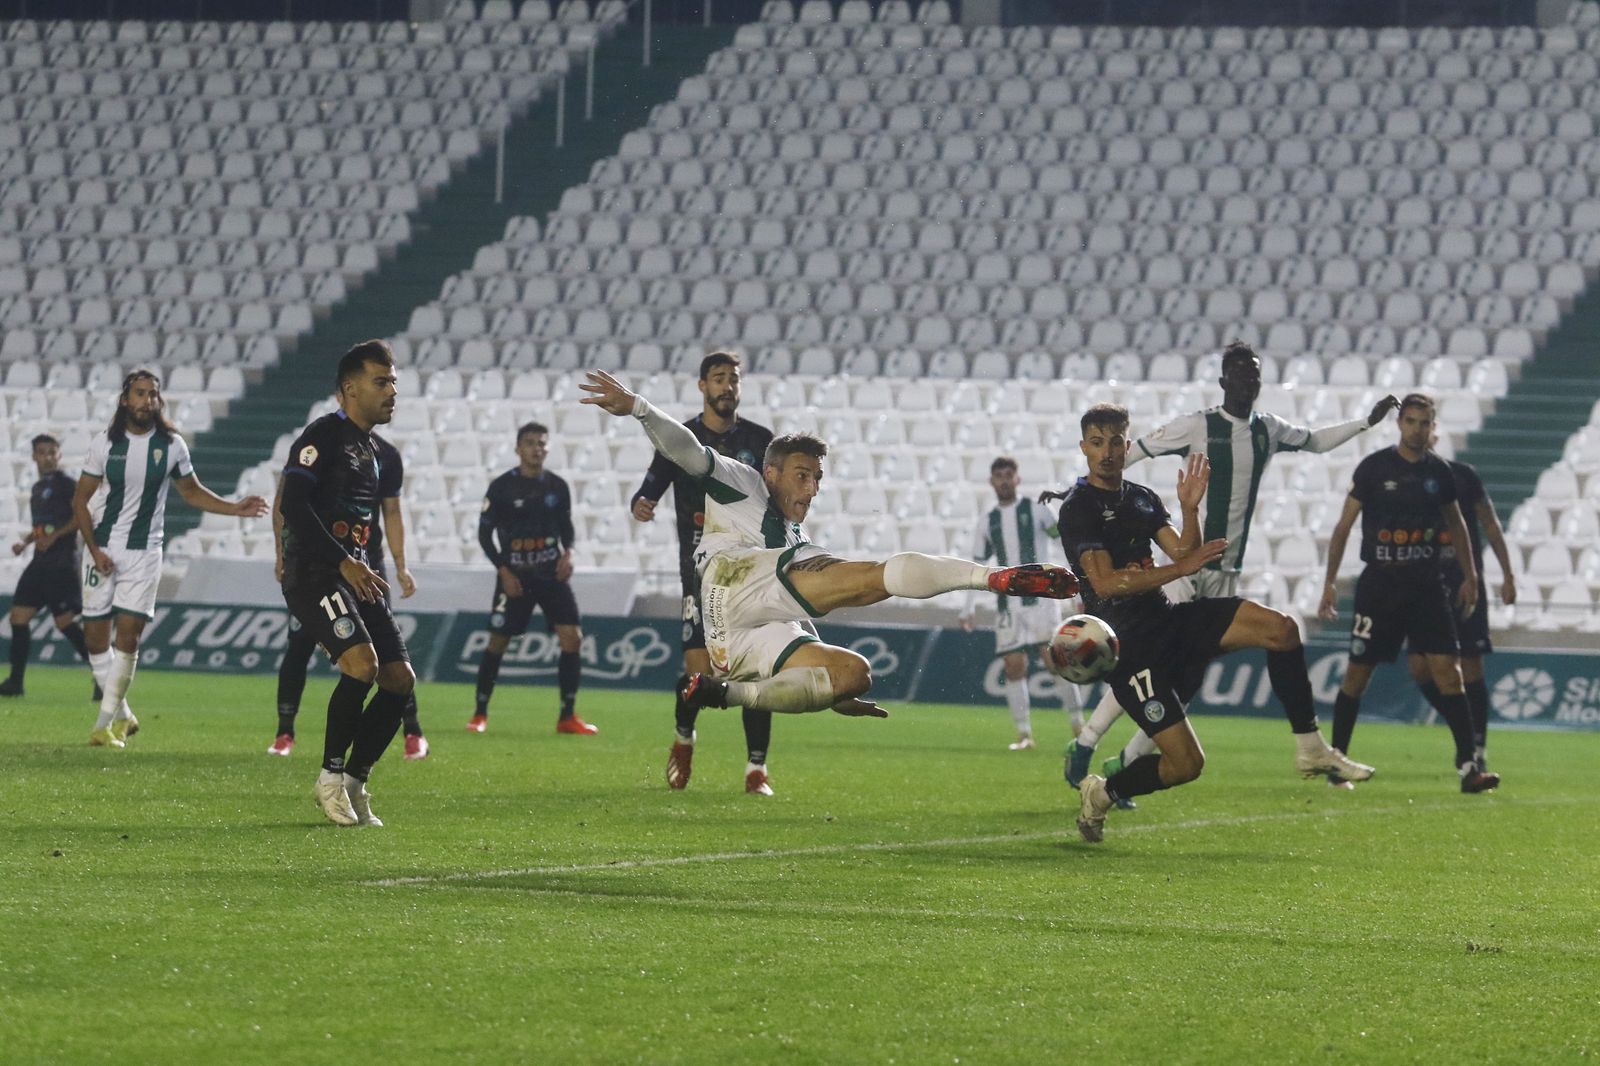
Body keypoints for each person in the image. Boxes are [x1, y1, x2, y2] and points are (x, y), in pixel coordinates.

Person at [579, 368, 1080, 723]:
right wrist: (639, 408)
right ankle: (993, 577)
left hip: (737, 641)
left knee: (853, 674)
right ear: (771, 472)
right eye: (802, 475)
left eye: (817, 478)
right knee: (864, 578)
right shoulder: (743, 482)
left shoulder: (793, 537)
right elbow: (689, 452)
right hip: (729, 583)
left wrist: (831, 693)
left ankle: (721, 694)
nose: (812, 488)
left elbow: (794, 600)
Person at [1066, 341, 1399, 788]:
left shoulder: (1269, 429)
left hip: (1222, 569)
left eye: (1254, 373)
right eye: (1240, 373)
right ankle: (1086, 741)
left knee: (1189, 680)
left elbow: (1317, 441)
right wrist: (1081, 495)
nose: (1248, 381)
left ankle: (1124, 764)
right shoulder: (1196, 426)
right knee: (1149, 662)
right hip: (1181, 574)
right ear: (1224, 380)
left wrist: (1365, 423)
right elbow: (1134, 451)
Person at [1054, 403, 1374, 844]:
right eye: (1096, 443)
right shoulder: (1078, 508)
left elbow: (1186, 553)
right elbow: (1106, 584)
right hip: (1128, 647)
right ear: (1083, 448)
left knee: (1282, 629)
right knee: (1187, 766)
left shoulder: (1142, 497)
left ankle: (1310, 747)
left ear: (1127, 447)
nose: (1106, 452)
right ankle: (1103, 793)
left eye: (1114, 442)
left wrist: (1190, 511)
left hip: (1167, 619)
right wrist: (1177, 570)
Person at [72, 369, 268, 749]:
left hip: (145, 552)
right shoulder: (104, 444)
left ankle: (102, 724)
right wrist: (95, 551)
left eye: (153, 394)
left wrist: (234, 507)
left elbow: (192, 493)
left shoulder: (172, 445)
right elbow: (80, 500)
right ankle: (123, 715)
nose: (147, 400)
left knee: (129, 635)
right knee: (95, 639)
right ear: (125, 400)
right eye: (140, 393)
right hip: (102, 549)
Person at [1317, 395, 1500, 793]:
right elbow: (1344, 526)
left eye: (1424, 422)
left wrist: (1470, 575)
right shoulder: (1374, 468)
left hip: (1427, 586)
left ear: (1432, 426)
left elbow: (1458, 524)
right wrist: (1329, 581)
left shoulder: (1440, 473)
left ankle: (1469, 767)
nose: (1417, 429)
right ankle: (1337, 764)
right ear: (1399, 423)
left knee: (1449, 672)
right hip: (1380, 586)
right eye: (1411, 421)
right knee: (1357, 676)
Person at [279, 341, 416, 826]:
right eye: (382, 382)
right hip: (315, 574)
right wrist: (342, 562)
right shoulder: (323, 436)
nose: (392, 391)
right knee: (362, 666)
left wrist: (369, 564)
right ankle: (329, 778)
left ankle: (356, 782)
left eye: (393, 381)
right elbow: (293, 504)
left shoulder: (374, 450)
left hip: (355, 574)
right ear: (350, 389)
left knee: (399, 679)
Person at [628, 352, 778, 793]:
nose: (727, 386)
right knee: (700, 676)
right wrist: (642, 503)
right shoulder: (683, 439)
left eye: (733, 379)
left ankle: (756, 769)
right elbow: (650, 486)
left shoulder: (760, 440)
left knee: (757, 673)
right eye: (718, 378)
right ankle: (684, 738)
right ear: (702, 386)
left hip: (749, 572)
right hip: (699, 574)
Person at [270, 424, 428, 760]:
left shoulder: (386, 455)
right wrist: (281, 553)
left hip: (365, 566)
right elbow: (287, 500)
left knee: (389, 654)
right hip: (317, 566)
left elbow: (392, 511)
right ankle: (285, 732)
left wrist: (401, 565)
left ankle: (412, 731)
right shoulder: (321, 439)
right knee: (299, 644)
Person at [466, 421, 593, 735]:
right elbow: (484, 535)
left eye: (542, 443)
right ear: (518, 448)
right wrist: (503, 570)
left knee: (572, 637)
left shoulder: (558, 486)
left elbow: (566, 526)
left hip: (551, 574)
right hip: (515, 577)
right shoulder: (501, 487)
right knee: (498, 641)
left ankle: (567, 716)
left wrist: (569, 552)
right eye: (531, 443)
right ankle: (480, 714)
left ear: (547, 448)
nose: (537, 448)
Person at [1403, 435, 1516, 780]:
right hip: (1423, 584)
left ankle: (1476, 749)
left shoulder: (1463, 475)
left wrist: (1507, 574)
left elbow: (1490, 523)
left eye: (1427, 425)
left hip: (1464, 583)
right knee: (1419, 668)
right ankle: (1464, 729)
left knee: (1470, 665)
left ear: (1434, 433)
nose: (1421, 433)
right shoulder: (1404, 479)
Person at [958, 456, 1087, 751]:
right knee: (1013, 667)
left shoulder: (1037, 509)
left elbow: (1064, 545)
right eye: (999, 476)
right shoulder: (987, 521)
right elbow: (976, 565)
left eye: (1009, 475)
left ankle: (1078, 726)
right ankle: (1024, 735)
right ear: (992, 481)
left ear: (1017, 479)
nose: (1004, 481)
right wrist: (968, 607)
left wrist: (1078, 592)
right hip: (1008, 604)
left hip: (1042, 599)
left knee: (1055, 661)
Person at [1, 434, 93, 697]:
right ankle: (15, 683)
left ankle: (103, 675)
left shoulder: (67, 485)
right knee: (18, 618)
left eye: (52, 452)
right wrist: (26, 542)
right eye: (42, 453)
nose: (48, 457)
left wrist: (55, 537)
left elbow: (81, 517)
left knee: (64, 622)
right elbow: (42, 527)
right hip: (40, 563)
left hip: (62, 563)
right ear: (34, 457)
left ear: (59, 455)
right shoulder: (37, 489)